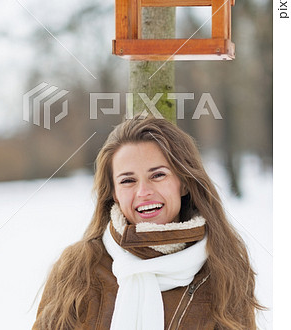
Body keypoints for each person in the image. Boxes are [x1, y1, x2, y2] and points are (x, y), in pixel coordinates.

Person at [32, 115, 263, 330]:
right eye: (128, 180)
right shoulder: (78, 267)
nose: (143, 192)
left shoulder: (224, 265)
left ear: (183, 182)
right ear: (114, 192)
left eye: (158, 175)